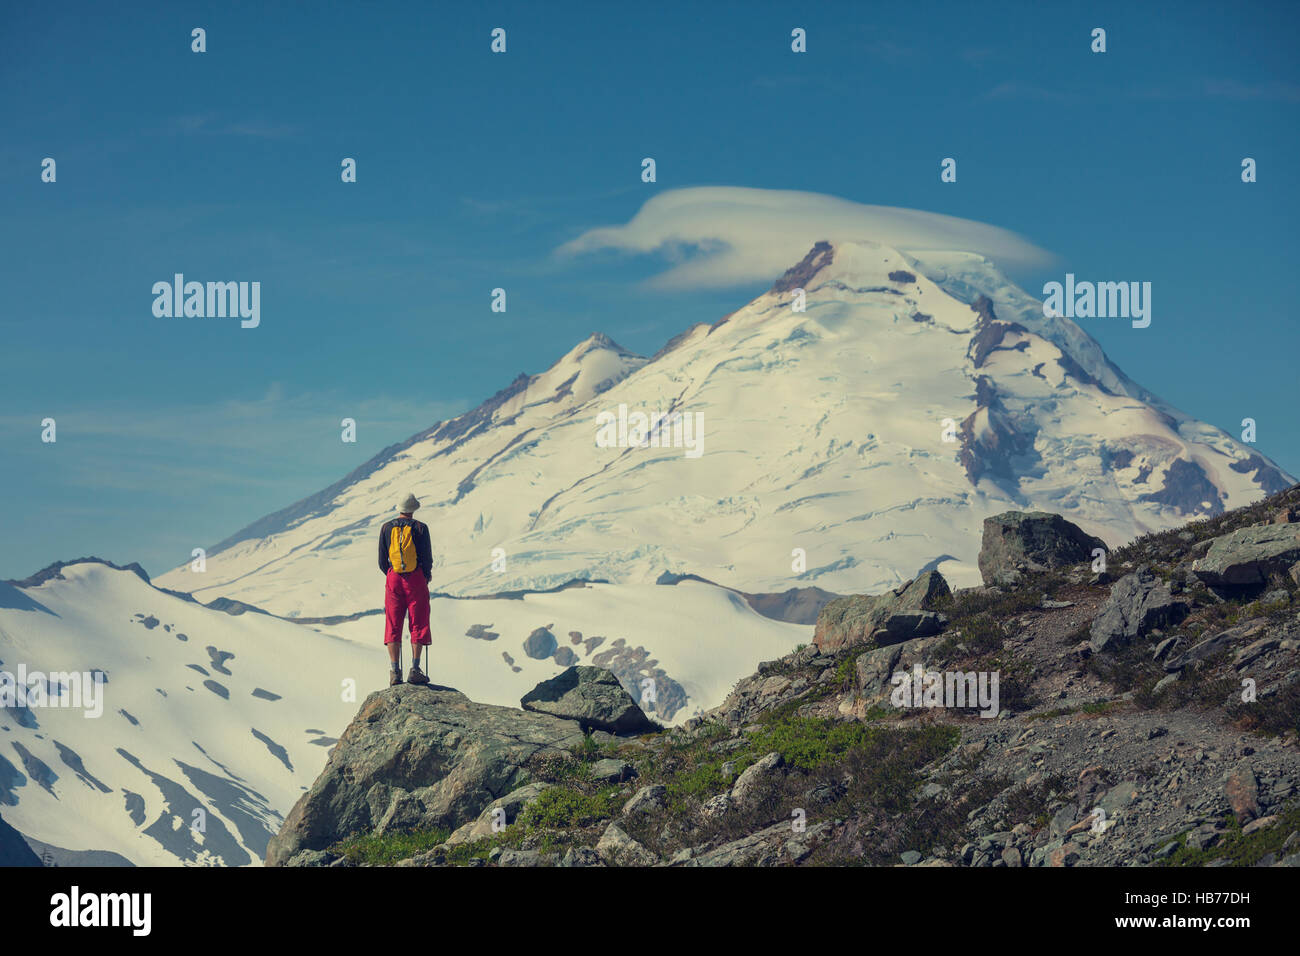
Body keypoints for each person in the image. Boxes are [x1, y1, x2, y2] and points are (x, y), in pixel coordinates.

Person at [378, 493, 434, 686]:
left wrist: (393, 574)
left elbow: (381, 560)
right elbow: (427, 557)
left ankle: (394, 671)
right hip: (415, 579)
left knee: (393, 623)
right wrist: (425, 575)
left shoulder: (386, 528)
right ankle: (415, 669)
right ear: (414, 509)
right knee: (418, 621)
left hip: (393, 579)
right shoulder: (420, 528)